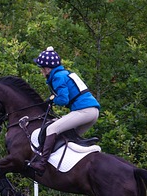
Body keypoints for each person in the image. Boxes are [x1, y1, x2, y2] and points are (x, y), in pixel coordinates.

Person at [29, 46, 100, 176]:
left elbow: (63, 99)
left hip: (83, 112)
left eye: (41, 68)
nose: (41, 71)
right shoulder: (65, 73)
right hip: (93, 112)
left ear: (47, 68)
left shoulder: (57, 77)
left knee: (51, 129)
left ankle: (42, 164)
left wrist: (51, 100)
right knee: (67, 136)